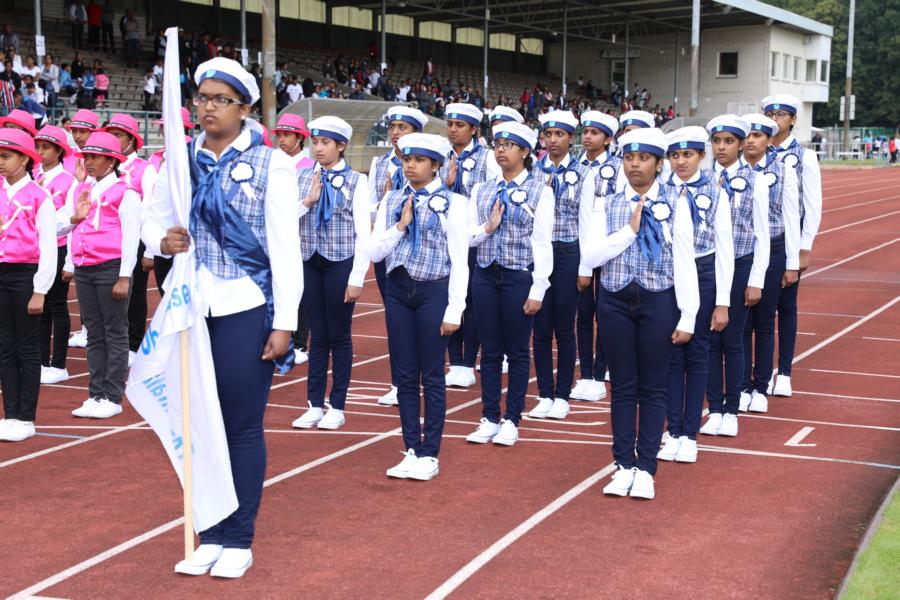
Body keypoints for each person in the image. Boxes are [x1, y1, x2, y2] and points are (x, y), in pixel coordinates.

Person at [143, 57, 301, 578]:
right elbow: (152, 221)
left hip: (245, 305)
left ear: (245, 108)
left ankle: (239, 537)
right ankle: (209, 532)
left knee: (239, 425)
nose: (208, 107)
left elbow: (284, 247)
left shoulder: (273, 164)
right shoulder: (178, 159)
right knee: (197, 425)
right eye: (202, 98)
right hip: (189, 306)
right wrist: (161, 239)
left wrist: (285, 322)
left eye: (221, 99)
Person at [582, 127, 699, 500]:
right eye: (629, 157)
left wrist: (688, 315)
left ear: (659, 164)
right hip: (614, 301)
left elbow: (685, 260)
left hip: (658, 300)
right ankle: (623, 464)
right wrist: (628, 233)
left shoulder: (676, 203)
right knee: (622, 386)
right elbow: (591, 256)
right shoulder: (607, 204)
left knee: (653, 387)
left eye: (644, 158)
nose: (635, 164)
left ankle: (646, 467)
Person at [370, 132, 467, 479]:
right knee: (404, 374)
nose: (410, 166)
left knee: (432, 373)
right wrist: (400, 226)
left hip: (433, 291)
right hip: (398, 290)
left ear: (436, 165)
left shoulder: (455, 203)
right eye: (407, 159)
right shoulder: (392, 198)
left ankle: (430, 452)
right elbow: (375, 252)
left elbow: (460, 259)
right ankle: (411, 447)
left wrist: (455, 309)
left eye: (419, 160)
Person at [464, 121, 553, 446]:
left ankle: (512, 418)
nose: (501, 150)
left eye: (509, 145)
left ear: (525, 151)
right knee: (489, 350)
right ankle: (489, 416)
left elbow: (542, 243)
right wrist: (487, 228)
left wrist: (538, 288)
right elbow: (468, 237)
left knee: (516, 351)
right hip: (485, 274)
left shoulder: (540, 191)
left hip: (518, 275)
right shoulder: (482, 189)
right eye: (497, 144)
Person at [657, 126, 733, 463]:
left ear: (702, 156)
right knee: (672, 353)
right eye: (674, 155)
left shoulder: (716, 192)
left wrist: (722, 301)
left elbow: (725, 249)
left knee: (698, 351)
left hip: (703, 273)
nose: (681, 161)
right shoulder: (661, 191)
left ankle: (690, 433)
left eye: (688, 154)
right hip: (668, 276)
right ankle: (672, 429)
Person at [290, 117, 370, 431]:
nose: (318, 148)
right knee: (317, 335)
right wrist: (307, 200)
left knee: (339, 335)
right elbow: (284, 218)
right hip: (309, 261)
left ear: (341, 146)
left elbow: (363, 233)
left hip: (340, 263)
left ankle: (337, 405)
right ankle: (313, 404)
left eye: (325, 143)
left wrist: (357, 277)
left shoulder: (356, 181)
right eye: (315, 142)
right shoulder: (301, 177)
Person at [58, 131, 140, 420]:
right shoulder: (82, 189)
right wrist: (74, 222)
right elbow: (64, 227)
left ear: (111, 161)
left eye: (95, 157)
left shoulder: (125, 192)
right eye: (87, 157)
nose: (89, 162)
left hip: (110, 268)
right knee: (93, 332)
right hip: (85, 268)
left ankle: (112, 396)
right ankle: (96, 393)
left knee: (114, 331)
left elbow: (131, 237)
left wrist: (124, 276)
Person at [701, 115, 770, 437]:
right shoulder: (702, 180)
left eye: (729, 141)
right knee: (709, 340)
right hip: (708, 266)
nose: (721, 147)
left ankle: (732, 409)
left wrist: (756, 279)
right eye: (716, 141)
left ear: (741, 144)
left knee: (732, 339)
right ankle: (714, 407)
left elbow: (762, 234)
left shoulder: (756, 180)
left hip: (741, 265)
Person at [528, 110, 594, 421]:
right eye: (548, 135)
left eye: (560, 135)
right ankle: (545, 393)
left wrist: (585, 267)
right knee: (540, 328)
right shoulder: (532, 171)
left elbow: (585, 221)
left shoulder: (583, 173)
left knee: (565, 328)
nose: (553, 140)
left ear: (571, 138)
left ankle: (563, 394)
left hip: (568, 252)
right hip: (538, 254)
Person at [366, 105, 428, 406]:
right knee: (397, 321)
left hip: (422, 251)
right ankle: (399, 381)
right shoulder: (380, 163)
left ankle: (424, 377)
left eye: (403, 127)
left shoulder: (431, 163)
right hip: (390, 248)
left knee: (424, 321)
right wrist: (385, 204)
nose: (395, 132)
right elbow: (369, 207)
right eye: (392, 127)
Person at [739, 113, 800, 414]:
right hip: (740, 254)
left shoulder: (783, 170)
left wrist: (792, 263)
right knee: (740, 324)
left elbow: (791, 217)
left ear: (768, 140)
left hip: (774, 251)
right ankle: (741, 386)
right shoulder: (729, 171)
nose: (751, 141)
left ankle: (760, 386)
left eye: (758, 135)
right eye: (747, 135)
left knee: (764, 322)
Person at [762, 95, 822, 398]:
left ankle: (784, 371)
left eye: (781, 115)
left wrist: (803, 248)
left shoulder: (804, 156)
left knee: (785, 307)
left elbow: (812, 204)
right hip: (757, 241)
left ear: (793, 119)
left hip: (788, 241)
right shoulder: (755, 152)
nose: (774, 120)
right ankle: (756, 373)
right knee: (754, 311)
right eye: (770, 115)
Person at [0, 129, 58, 442]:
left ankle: (26, 417)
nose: (1, 162)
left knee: (26, 347)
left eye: (6, 156)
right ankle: (10, 414)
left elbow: (48, 248)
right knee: (4, 347)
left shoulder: (39, 197)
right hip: (1, 273)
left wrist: (40, 290)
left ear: (24, 159)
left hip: (26, 275)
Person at [440, 102, 499, 388]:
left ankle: (468, 361)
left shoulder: (487, 158)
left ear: (474, 129)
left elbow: (493, 195)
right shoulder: (440, 156)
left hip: (475, 239)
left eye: (460, 125)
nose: (453, 130)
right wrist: (447, 184)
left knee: (472, 303)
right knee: (451, 299)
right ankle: (454, 362)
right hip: (445, 238)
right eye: (450, 124)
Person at [571, 110, 619, 402]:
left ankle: (600, 373)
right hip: (579, 245)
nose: (588, 137)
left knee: (604, 312)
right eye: (586, 132)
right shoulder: (574, 166)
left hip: (607, 246)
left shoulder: (618, 167)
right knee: (584, 313)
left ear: (608, 139)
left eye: (595, 133)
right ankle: (586, 374)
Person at [102, 113, 158, 367]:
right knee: (108, 291)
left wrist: (146, 247)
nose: (114, 140)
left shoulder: (145, 169)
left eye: (118, 135)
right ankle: (112, 341)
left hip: (135, 237)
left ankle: (133, 344)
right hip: (108, 240)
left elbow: (149, 206)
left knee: (134, 292)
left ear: (132, 140)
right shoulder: (107, 167)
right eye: (110, 135)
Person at [34, 125, 77, 385]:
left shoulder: (69, 181)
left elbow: (70, 219)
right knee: (40, 307)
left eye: (46, 147)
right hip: (35, 250)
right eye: (38, 147)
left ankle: (59, 363)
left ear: (59, 151)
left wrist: (70, 261)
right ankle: (41, 361)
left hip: (58, 247)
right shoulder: (35, 176)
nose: (40, 152)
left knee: (57, 305)